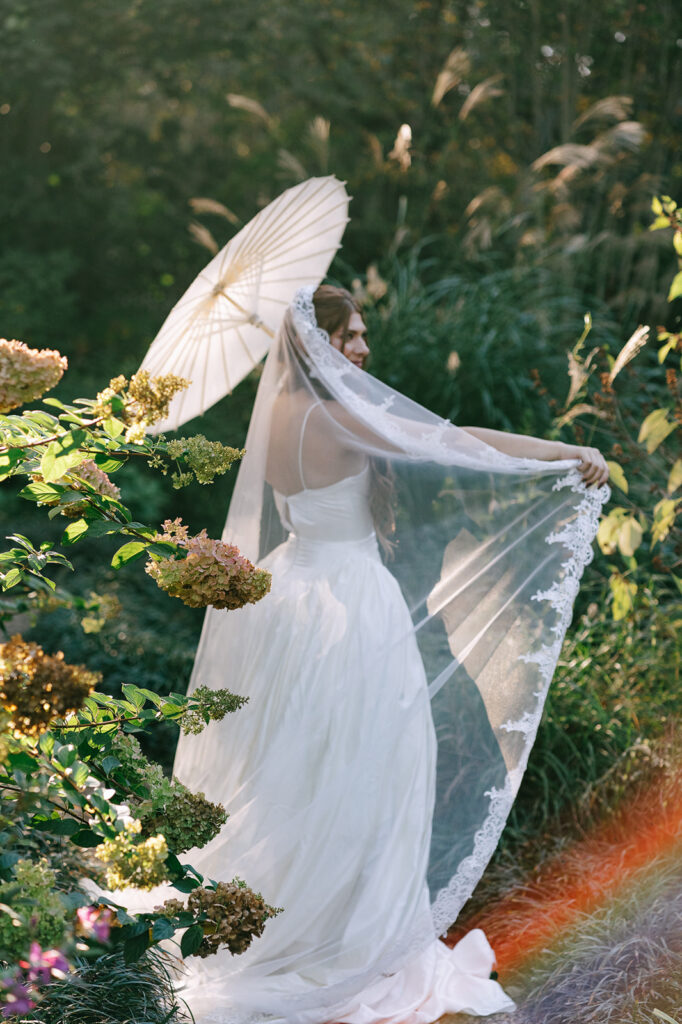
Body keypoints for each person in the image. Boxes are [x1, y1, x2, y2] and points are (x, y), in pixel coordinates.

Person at [170, 284, 609, 1024]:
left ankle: (279, 915)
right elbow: (461, 440)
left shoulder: (273, 418)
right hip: (349, 607)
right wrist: (567, 451)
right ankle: (342, 936)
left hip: (284, 604)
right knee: (372, 765)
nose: (364, 349)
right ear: (318, 343)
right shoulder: (342, 418)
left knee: (291, 767)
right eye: (351, 336)